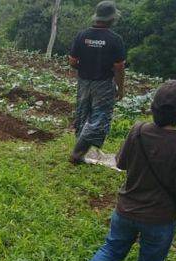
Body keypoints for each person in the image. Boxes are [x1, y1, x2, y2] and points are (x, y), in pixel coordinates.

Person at [67, 80, 176, 261]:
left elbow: (121, 163)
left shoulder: (137, 130)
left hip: (125, 210)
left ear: (153, 107)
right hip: (159, 220)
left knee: (110, 249)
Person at [68, 1, 127, 164]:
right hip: (103, 84)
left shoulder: (82, 35)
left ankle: (82, 148)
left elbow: (72, 62)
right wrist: (120, 88)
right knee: (100, 118)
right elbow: (119, 68)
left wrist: (86, 67)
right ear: (111, 19)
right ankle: (78, 154)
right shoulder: (115, 40)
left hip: (84, 82)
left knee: (82, 114)